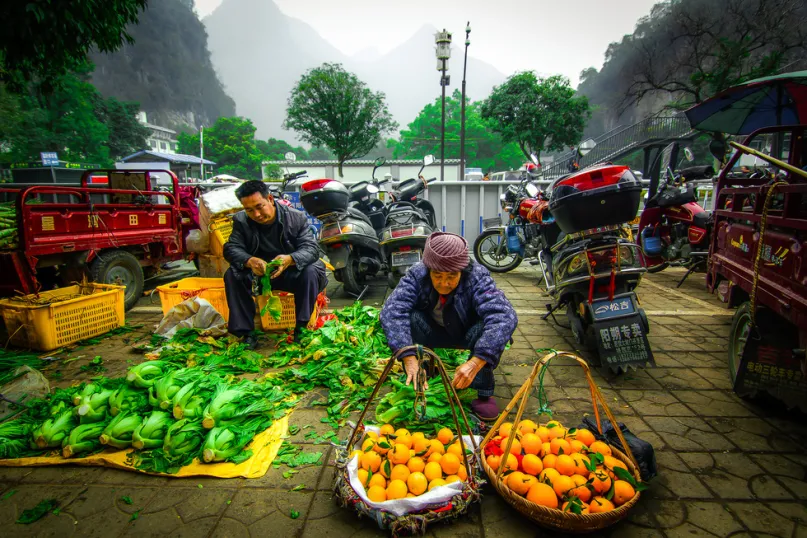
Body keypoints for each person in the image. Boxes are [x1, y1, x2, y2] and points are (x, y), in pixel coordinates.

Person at [380, 232, 518, 421]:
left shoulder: (477, 276)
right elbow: (392, 311)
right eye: (437, 275)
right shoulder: (416, 274)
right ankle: (421, 375)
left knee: (490, 326)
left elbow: (504, 316)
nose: (444, 283)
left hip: (466, 333)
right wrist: (408, 357)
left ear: (462, 270)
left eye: (452, 276)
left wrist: (476, 362)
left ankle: (483, 390)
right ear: (428, 270)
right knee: (408, 317)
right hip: (430, 331)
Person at [223, 180, 327, 348]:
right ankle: (246, 333)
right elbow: (231, 248)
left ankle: (301, 329)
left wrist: (290, 259)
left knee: (310, 270)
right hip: (259, 275)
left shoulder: (295, 217)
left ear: (270, 199)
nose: (256, 214)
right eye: (249, 210)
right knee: (232, 274)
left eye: (259, 206)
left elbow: (312, 249)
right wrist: (249, 261)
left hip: (290, 273)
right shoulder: (241, 221)